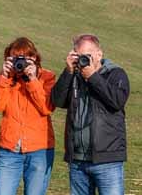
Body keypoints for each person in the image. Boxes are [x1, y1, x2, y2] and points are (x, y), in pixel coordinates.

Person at [51, 34, 130, 195]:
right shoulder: (74, 76)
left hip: (107, 159)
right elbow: (58, 100)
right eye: (79, 56)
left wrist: (93, 76)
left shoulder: (116, 74)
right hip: (78, 161)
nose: (83, 60)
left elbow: (116, 101)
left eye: (87, 55)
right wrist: (68, 71)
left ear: (99, 54)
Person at [0, 37, 56, 195]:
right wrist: (4, 77)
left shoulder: (47, 77)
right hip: (10, 149)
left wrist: (32, 80)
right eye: (15, 58)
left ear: (34, 58)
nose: (20, 63)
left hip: (39, 150)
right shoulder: (7, 79)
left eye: (25, 58)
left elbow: (47, 108)